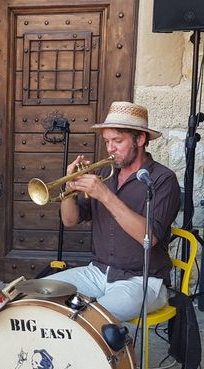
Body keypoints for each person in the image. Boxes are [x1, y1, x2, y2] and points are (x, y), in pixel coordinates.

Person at [46, 101, 181, 322]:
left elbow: (149, 237)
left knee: (89, 317)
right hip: (98, 272)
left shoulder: (162, 180)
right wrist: (68, 188)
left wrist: (106, 196)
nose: (110, 148)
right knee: (43, 295)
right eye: (107, 141)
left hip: (143, 280)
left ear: (140, 139)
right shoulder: (102, 173)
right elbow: (70, 220)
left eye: (118, 141)